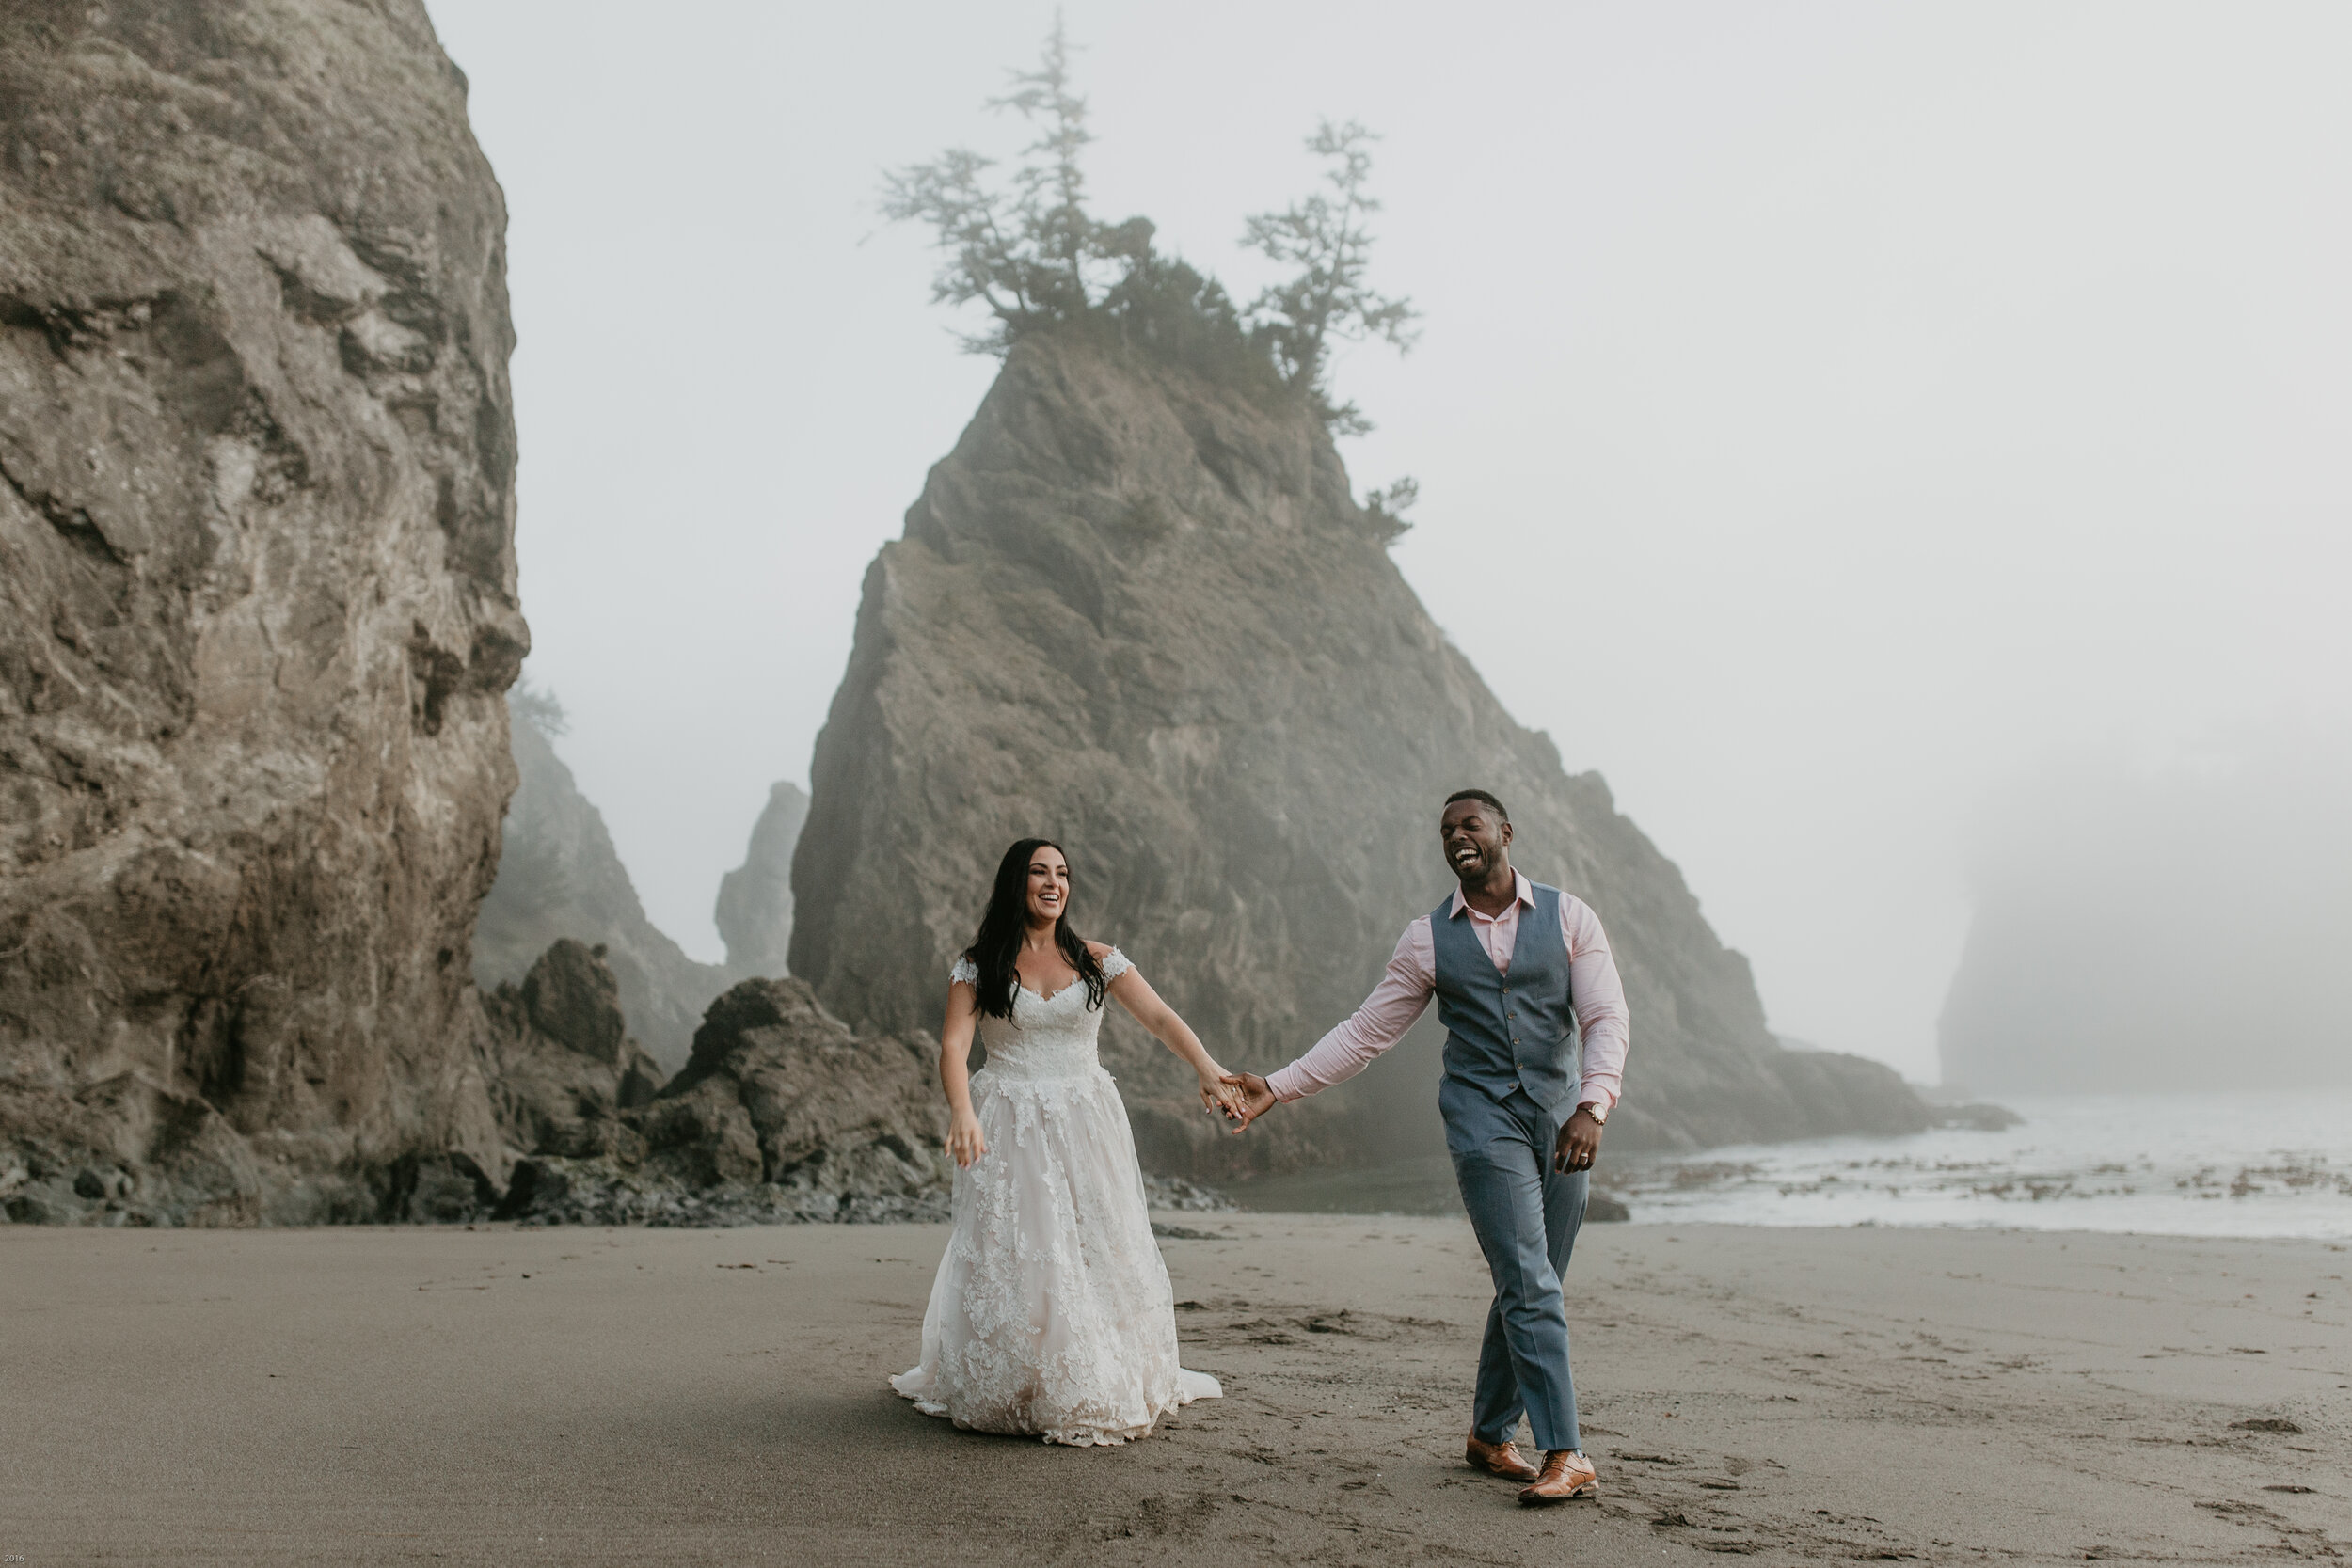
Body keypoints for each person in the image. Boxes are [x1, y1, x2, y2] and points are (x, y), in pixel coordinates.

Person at [1224, 789, 1630, 1505]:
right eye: (1446, 830)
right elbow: (1364, 1033)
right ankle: (1565, 1451)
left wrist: (1593, 1106)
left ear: (1505, 831)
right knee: (1530, 1279)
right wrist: (1278, 1085)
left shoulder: (1570, 916)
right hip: (1483, 1121)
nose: (1456, 836)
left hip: (1565, 1121)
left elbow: (1604, 1015)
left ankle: (1487, 1432)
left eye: (1469, 824)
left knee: (1534, 1279)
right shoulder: (1426, 939)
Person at [892, 837, 1243, 1445]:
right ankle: (1020, 1374)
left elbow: (1159, 1016)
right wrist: (962, 1109)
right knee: (1022, 1249)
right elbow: (952, 1046)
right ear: (1015, 882)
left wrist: (1207, 1067)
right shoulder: (978, 964)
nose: (1053, 883)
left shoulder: (1096, 958)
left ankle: (1100, 1364)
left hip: (1087, 1117)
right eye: (1038, 872)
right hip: (1008, 1118)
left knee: (1095, 1241)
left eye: (1062, 873)